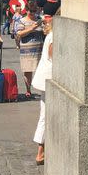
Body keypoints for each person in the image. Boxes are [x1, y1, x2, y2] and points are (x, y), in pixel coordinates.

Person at [32, 9, 56, 165]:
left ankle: (44, 150)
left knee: (45, 114)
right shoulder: (54, 36)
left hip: (45, 78)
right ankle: (40, 152)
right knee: (45, 115)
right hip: (48, 78)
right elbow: (53, 57)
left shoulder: (51, 34)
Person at [15, 1, 44, 98]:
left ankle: (41, 89)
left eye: (34, 11)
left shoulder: (39, 19)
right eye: (30, 11)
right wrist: (32, 28)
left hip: (39, 48)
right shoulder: (21, 21)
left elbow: (44, 31)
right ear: (26, 10)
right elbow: (19, 33)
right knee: (27, 70)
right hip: (27, 50)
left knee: (40, 69)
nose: (32, 13)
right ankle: (28, 90)